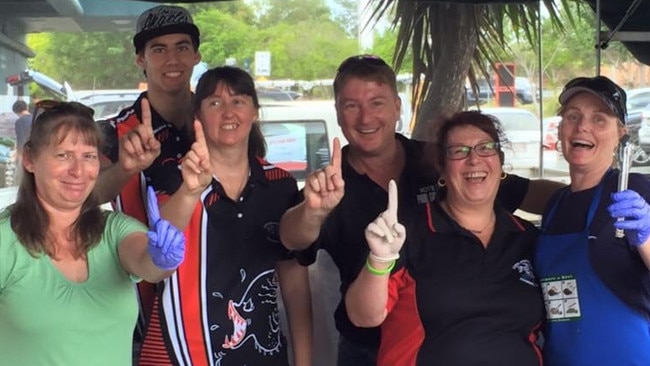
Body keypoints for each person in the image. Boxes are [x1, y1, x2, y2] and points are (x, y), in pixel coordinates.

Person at [279, 54, 561, 365]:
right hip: (367, 345)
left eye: (376, 102)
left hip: (450, 336)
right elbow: (291, 240)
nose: (365, 118)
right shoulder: (331, 181)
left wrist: (592, 200)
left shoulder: (439, 159)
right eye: (351, 105)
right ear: (338, 112)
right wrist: (316, 210)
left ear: (397, 107)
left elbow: (528, 192)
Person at [137, 66, 312, 365]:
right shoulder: (171, 175)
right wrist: (191, 191)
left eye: (238, 101)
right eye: (215, 103)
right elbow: (156, 245)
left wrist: (305, 361)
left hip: (262, 353)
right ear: (198, 115)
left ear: (254, 111)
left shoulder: (279, 184)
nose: (228, 113)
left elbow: (294, 284)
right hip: (179, 353)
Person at [344, 111, 544, 365]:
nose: (474, 160)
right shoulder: (405, 232)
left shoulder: (528, 238)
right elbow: (363, 316)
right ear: (442, 168)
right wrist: (379, 259)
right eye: (459, 151)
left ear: (500, 162)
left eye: (485, 148)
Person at [0, 101, 185, 366]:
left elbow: (147, 263)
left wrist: (163, 258)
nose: (78, 171)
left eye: (88, 156)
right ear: (30, 159)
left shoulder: (114, 229)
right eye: (62, 155)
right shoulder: (5, 238)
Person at [96, 4, 201, 352]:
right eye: (159, 49)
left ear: (197, 55)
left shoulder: (222, 122)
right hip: (141, 308)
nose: (172, 59)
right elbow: (84, 197)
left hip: (215, 304)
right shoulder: (114, 132)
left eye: (182, 46)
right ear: (140, 58)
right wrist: (126, 167)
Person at [534, 76, 650, 365]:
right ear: (560, 129)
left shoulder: (636, 190)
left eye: (599, 119)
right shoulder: (554, 205)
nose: (582, 126)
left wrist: (647, 237)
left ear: (621, 133)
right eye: (573, 116)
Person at [12, 99, 32, 185]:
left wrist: (18, 156)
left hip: (27, 153)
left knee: (20, 179)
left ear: (16, 112)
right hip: (39, 151)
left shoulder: (19, 122)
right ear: (26, 107)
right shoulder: (37, 118)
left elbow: (21, 140)